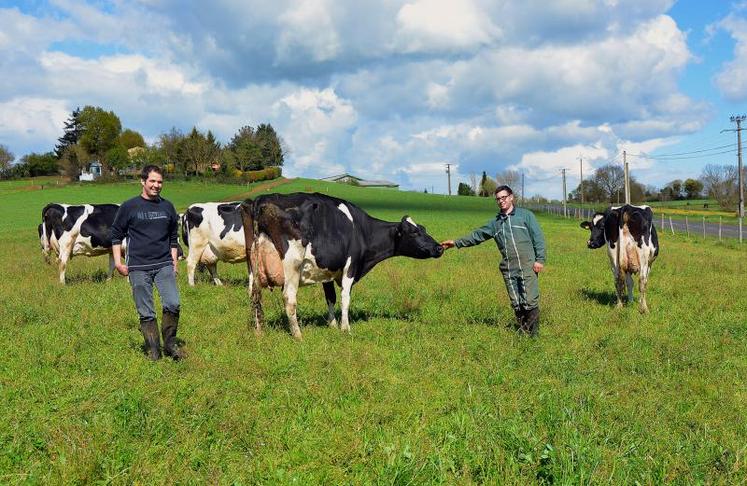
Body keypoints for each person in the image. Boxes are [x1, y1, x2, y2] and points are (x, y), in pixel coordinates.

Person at [441, 185, 546, 336]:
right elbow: (477, 236)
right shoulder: (495, 223)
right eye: (498, 199)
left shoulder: (526, 216)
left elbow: (538, 238)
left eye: (504, 197)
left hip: (528, 265)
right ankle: (523, 331)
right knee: (517, 301)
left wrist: (539, 260)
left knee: (530, 299)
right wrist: (456, 242)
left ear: (511, 197)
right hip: (509, 268)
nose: (501, 201)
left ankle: (533, 335)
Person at [111, 165, 183, 360]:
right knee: (145, 310)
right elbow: (116, 235)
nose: (156, 185)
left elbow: (173, 238)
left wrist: (174, 262)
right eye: (152, 181)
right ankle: (153, 350)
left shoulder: (167, 207)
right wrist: (118, 262)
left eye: (159, 182)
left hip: (164, 264)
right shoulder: (129, 206)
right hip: (138, 267)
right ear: (143, 182)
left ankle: (169, 344)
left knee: (173, 303)